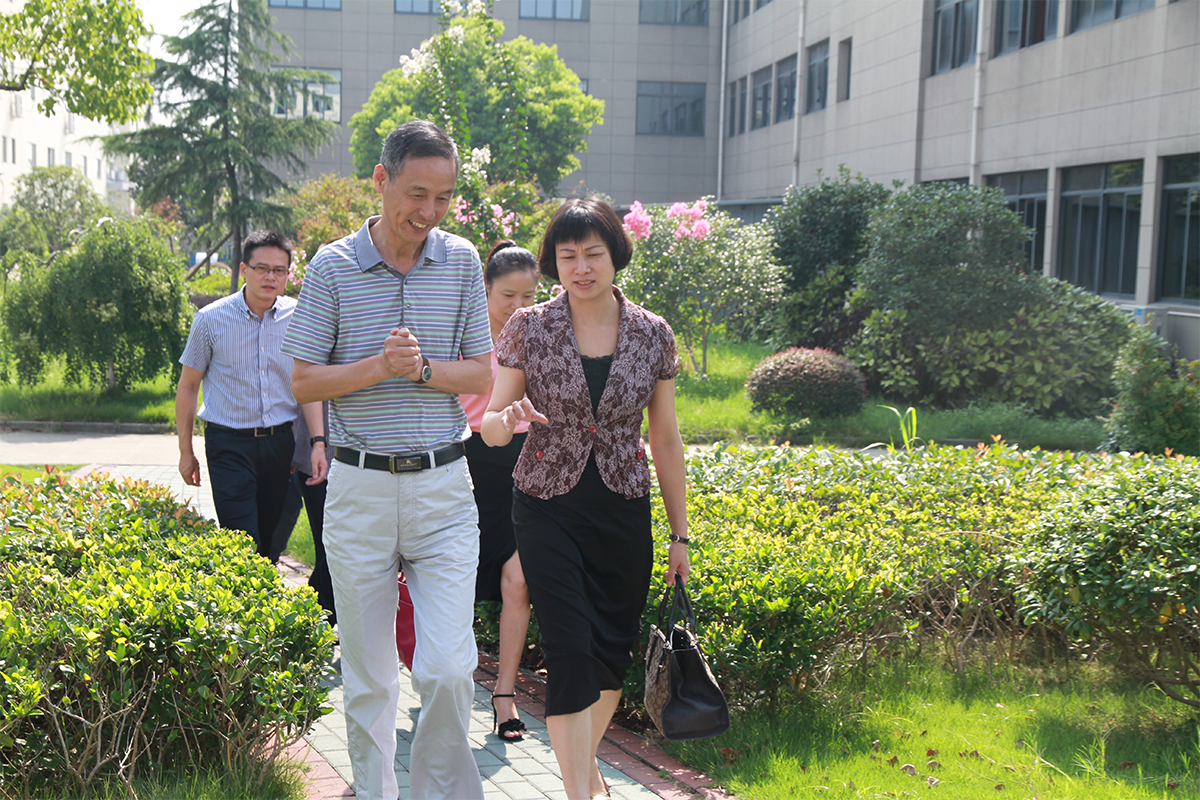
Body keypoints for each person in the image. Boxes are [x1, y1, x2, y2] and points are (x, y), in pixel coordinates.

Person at [282, 120, 492, 800]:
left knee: (449, 669)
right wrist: (379, 366)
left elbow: (481, 373)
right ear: (381, 179)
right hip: (359, 488)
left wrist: (422, 369)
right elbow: (303, 381)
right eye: (416, 193)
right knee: (371, 677)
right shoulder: (332, 266)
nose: (429, 212)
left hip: (443, 488)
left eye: (444, 197)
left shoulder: (461, 260)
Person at [481, 198, 691, 800]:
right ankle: (579, 792)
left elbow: (666, 440)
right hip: (546, 504)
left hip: (623, 506)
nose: (581, 267)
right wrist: (506, 421)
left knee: (608, 653)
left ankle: (585, 768)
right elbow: (490, 423)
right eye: (567, 255)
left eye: (593, 254)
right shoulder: (530, 326)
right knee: (570, 650)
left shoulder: (652, 333)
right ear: (554, 262)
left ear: (615, 255)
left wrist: (680, 536)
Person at [176, 229, 327, 561]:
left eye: (279, 270)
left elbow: (308, 386)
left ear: (288, 275)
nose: (270, 277)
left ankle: (262, 590)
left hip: (280, 444)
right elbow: (188, 386)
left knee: (271, 542)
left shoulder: (298, 318)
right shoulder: (210, 320)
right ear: (244, 269)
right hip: (229, 444)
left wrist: (318, 442)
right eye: (262, 268)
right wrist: (186, 451)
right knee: (241, 539)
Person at [458, 240, 540, 742]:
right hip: (464, 464)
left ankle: (504, 696)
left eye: (528, 296)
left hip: (523, 463)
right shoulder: (461, 334)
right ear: (485, 289)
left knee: (518, 582)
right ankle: (446, 684)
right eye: (508, 295)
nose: (518, 306)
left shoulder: (541, 338)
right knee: (455, 584)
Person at [271, 403, 335, 622]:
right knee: (328, 544)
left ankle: (317, 608)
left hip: (365, 458)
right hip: (315, 459)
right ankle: (325, 617)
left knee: (339, 547)